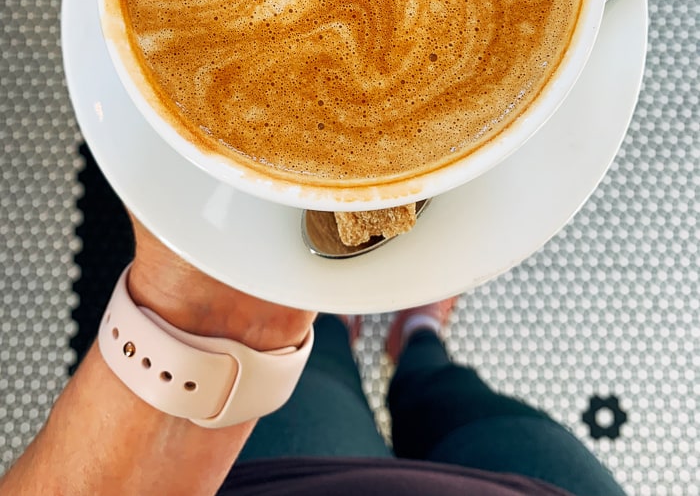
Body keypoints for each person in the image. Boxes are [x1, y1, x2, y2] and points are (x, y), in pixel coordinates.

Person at [0, 213, 627, 496]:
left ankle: (334, 318)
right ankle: (419, 342)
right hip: (542, 489)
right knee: (454, 396)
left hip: (293, 479)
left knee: (312, 356)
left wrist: (192, 317)